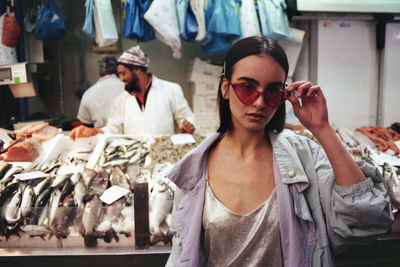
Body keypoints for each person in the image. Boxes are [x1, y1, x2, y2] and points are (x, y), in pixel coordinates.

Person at [165, 36, 394, 267]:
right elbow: (182, 253)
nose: (259, 102)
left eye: (273, 91)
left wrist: (322, 128)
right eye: (247, 88)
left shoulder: (304, 158)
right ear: (226, 88)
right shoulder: (193, 171)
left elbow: (366, 220)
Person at [104, 45, 195, 135]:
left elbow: (185, 117)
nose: (121, 79)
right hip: (135, 149)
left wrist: (187, 126)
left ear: (136, 69)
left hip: (163, 148)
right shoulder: (122, 99)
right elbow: (113, 128)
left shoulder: (171, 90)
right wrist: (98, 131)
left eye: (123, 74)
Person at [77, 56, 124, 128]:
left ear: (100, 73)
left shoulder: (88, 93)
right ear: (118, 71)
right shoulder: (126, 88)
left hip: (100, 136)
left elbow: (86, 124)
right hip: (126, 136)